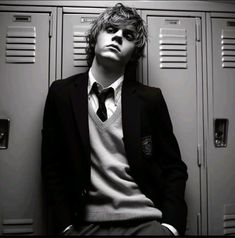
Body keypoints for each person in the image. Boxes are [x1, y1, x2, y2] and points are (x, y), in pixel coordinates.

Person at [41, 3, 188, 236]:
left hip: (145, 222)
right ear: (95, 36)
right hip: (83, 226)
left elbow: (174, 168)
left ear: (134, 51)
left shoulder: (150, 99)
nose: (118, 36)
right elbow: (52, 167)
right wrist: (65, 227)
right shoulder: (61, 94)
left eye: (128, 35)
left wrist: (170, 227)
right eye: (111, 29)